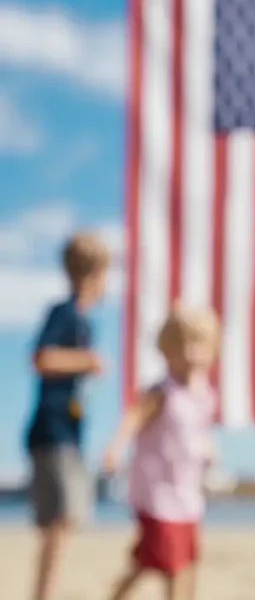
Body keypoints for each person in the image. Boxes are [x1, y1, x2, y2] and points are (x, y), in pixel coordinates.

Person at [103, 305, 220, 600]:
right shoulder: (161, 391)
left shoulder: (203, 395)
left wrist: (208, 451)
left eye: (200, 346)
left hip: (187, 494)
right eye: (184, 346)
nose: (192, 354)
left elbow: (197, 432)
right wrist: (115, 449)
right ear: (168, 351)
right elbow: (134, 418)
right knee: (163, 562)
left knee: (186, 560)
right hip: (158, 494)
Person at [26, 232, 110, 600]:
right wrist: (87, 362)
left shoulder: (85, 322)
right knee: (61, 522)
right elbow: (42, 359)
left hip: (68, 433)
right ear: (94, 274)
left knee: (64, 522)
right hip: (53, 431)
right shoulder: (65, 313)